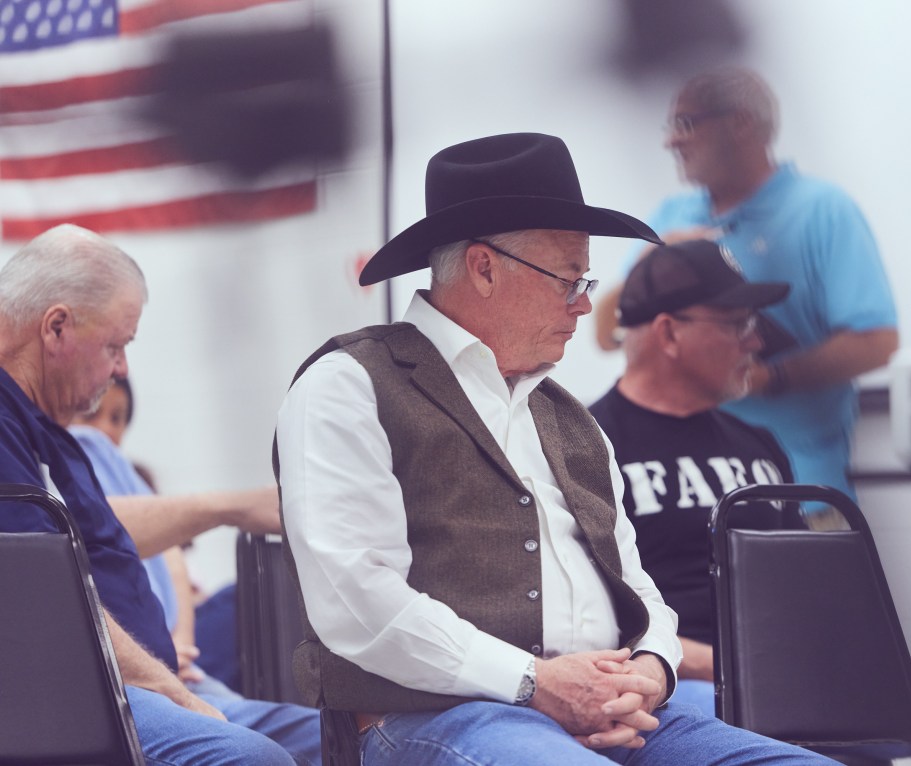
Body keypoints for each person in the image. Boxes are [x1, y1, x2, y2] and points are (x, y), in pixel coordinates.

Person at [275, 131, 836, 765]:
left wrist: (652, 668)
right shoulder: (350, 384)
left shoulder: (570, 419)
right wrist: (535, 682)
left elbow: (636, 584)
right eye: (569, 279)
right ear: (485, 268)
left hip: (610, 710)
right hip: (434, 717)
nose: (586, 304)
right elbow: (360, 602)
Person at [588, 239, 911, 766]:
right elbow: (598, 619)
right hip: (681, 678)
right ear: (670, 331)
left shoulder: (757, 446)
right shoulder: (590, 444)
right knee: (738, 724)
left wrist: (826, 651)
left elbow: (806, 597)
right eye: (736, 324)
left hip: (792, 673)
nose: (757, 341)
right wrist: (731, 665)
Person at [0, 223, 321, 766]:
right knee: (254, 759)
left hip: (135, 684)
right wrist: (176, 693)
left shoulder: (47, 429)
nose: (122, 367)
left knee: (351, 740)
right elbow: (42, 604)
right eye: (116, 345)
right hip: (73, 697)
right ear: (56, 328)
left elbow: (100, 536)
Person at [594, 66, 899, 503]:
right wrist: (654, 256)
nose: (670, 141)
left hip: (800, 487)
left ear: (739, 123)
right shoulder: (672, 216)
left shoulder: (822, 210)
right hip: (689, 492)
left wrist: (767, 377)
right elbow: (608, 333)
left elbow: (878, 342)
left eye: (686, 124)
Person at [71, 375, 251, 695]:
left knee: (243, 597)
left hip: (181, 632)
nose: (104, 430)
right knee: (239, 603)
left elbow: (174, 560)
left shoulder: (136, 478)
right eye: (91, 415)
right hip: (146, 644)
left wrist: (180, 642)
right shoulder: (68, 483)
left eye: (117, 418)